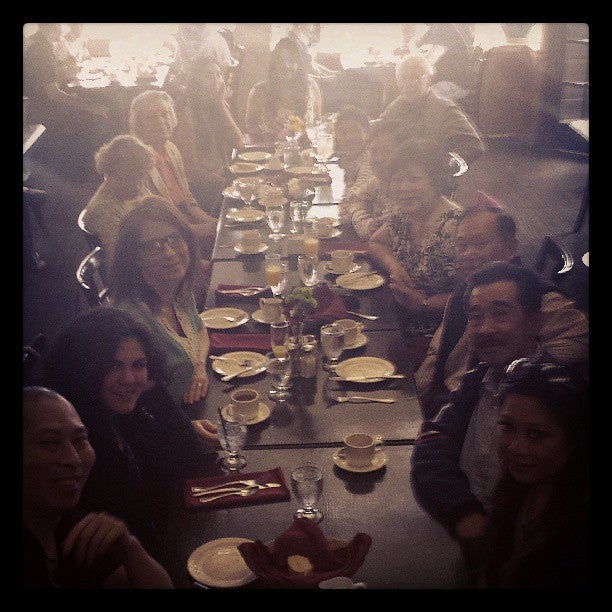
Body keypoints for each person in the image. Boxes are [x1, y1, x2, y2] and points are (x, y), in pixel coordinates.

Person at [410, 261, 566, 572]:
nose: (485, 329)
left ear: (534, 322)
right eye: (476, 316)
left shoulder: (557, 402)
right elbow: (431, 444)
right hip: (465, 540)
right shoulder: (480, 378)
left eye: (500, 314)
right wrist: (466, 514)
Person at [41, 307, 219, 560]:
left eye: (139, 364)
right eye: (114, 366)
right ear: (84, 368)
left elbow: (187, 453)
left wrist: (152, 385)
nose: (128, 378)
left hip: (160, 547)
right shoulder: (79, 439)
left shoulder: (121, 414)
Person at [415, 205, 590, 419]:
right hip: (446, 402)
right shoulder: (469, 289)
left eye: (479, 245)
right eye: (462, 246)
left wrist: (519, 366)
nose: (468, 254)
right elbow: (438, 352)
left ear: (511, 248)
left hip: (482, 409)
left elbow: (582, 337)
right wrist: (417, 397)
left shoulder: (536, 298)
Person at [23, 386, 174, 588]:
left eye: (79, 440)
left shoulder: (70, 525)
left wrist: (130, 548)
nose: (74, 459)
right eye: (49, 442)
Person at [475, 358, 589, 588]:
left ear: (575, 437)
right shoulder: (517, 485)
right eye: (508, 427)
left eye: (536, 434)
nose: (515, 447)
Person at [109, 196, 212, 407]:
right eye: (153, 245)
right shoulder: (133, 322)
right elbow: (135, 406)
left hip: (194, 409)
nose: (169, 252)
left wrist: (200, 368)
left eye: (174, 238)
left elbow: (200, 330)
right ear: (134, 257)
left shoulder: (177, 289)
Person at [368, 139, 463, 342]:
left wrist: (425, 303)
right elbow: (376, 243)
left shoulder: (456, 226)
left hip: (441, 332)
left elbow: (472, 291)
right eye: (397, 179)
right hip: (398, 319)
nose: (403, 188)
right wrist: (394, 267)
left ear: (436, 181)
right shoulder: (404, 215)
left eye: (413, 179)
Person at [128, 89, 217, 255]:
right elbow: (152, 215)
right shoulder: (136, 160)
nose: (161, 121)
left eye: (165, 114)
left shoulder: (171, 148)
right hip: (163, 239)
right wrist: (193, 230)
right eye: (152, 117)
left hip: (184, 221)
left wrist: (212, 221)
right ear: (138, 125)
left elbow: (187, 198)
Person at [23, 23, 109, 181]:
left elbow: (46, 80)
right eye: (61, 25)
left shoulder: (36, 42)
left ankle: (76, 165)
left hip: (38, 106)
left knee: (92, 107)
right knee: (99, 115)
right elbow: (53, 93)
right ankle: (80, 170)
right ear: (54, 26)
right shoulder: (41, 49)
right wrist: (89, 106)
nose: (64, 29)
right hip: (44, 111)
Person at [376, 55, 485, 166]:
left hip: (430, 171)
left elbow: (473, 145)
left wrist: (445, 167)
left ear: (429, 79)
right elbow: (377, 130)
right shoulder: (395, 106)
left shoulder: (444, 109)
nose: (408, 83)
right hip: (401, 170)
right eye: (403, 79)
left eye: (415, 77)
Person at [173, 54, 245, 218]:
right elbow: (188, 167)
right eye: (209, 75)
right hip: (201, 188)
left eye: (218, 75)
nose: (216, 80)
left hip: (222, 177)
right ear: (195, 81)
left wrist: (220, 104)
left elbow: (239, 143)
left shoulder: (216, 103)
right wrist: (222, 183)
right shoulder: (185, 111)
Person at [83, 134, 155, 260]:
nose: (139, 185)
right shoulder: (104, 212)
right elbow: (120, 262)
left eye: (141, 175)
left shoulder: (132, 190)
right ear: (112, 174)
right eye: (132, 176)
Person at [245, 36, 322, 145]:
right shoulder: (259, 91)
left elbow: (317, 122)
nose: (286, 66)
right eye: (280, 61)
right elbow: (251, 125)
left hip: (304, 149)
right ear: (274, 64)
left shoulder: (311, 87)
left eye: (291, 61)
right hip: (270, 150)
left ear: (299, 64)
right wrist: (271, 138)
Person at [337, 120, 405, 239]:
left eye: (387, 151)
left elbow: (374, 232)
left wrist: (356, 211)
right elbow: (349, 202)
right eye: (374, 151)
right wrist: (358, 208)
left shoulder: (406, 189)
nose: (379, 158)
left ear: (403, 153)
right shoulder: (378, 181)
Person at [332, 105, 371, 190]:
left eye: (355, 130)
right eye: (343, 132)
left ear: (367, 132)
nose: (349, 137)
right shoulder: (347, 158)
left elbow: (358, 192)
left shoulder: (370, 160)